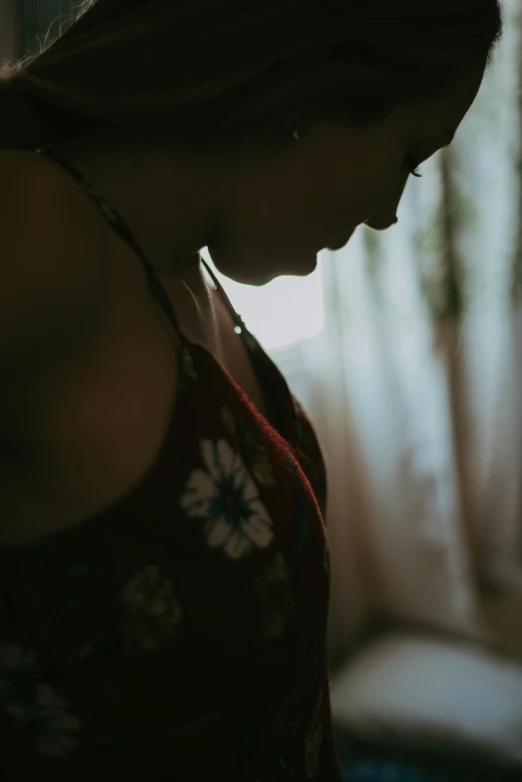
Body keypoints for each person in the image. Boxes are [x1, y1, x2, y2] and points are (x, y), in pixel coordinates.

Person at [0, 0, 503, 779]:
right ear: (310, 91)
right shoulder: (41, 238)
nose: (388, 215)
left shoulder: (180, 267)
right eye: (406, 156)